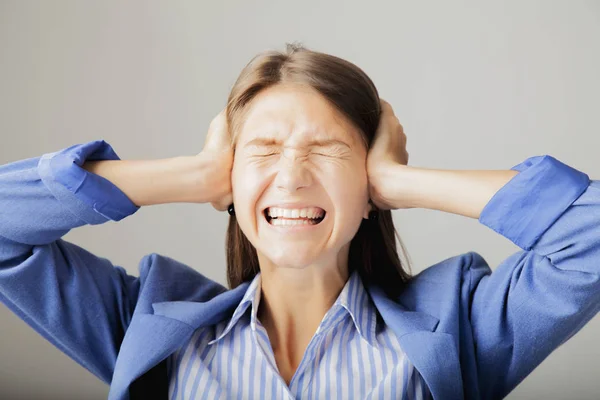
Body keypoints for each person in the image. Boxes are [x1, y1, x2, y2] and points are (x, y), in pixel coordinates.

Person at [0, 43, 598, 400]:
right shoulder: (145, 332)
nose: (290, 177)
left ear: (368, 184)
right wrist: (196, 173)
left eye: (327, 149)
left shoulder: (463, 331)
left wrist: (398, 182)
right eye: (263, 150)